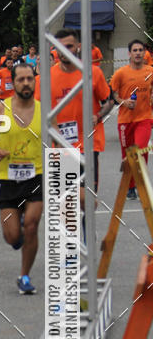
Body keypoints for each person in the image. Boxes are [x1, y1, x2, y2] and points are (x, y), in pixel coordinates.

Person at [35, 28, 113, 213]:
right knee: (65, 206)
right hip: (59, 146)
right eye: (59, 48)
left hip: (88, 144)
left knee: (87, 203)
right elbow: (38, 110)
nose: (64, 51)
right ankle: (73, 241)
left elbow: (109, 101)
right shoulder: (45, 78)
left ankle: (87, 239)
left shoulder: (93, 72)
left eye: (69, 46)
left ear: (78, 47)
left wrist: (99, 115)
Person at [0, 63, 42, 295]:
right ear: (13, 83)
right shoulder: (0, 109)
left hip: (36, 175)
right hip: (8, 179)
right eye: (21, 80)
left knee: (32, 224)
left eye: (29, 79)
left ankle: (24, 275)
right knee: (13, 236)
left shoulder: (43, 109)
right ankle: (19, 239)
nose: (26, 83)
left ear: (35, 81)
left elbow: (56, 139)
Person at [110, 39, 153, 200]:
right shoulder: (121, 73)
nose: (138, 53)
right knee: (128, 155)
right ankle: (130, 187)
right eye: (134, 50)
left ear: (144, 53)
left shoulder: (150, 71)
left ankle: (142, 185)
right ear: (129, 53)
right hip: (125, 121)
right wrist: (124, 102)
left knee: (140, 151)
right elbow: (113, 94)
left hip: (144, 119)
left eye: (140, 50)